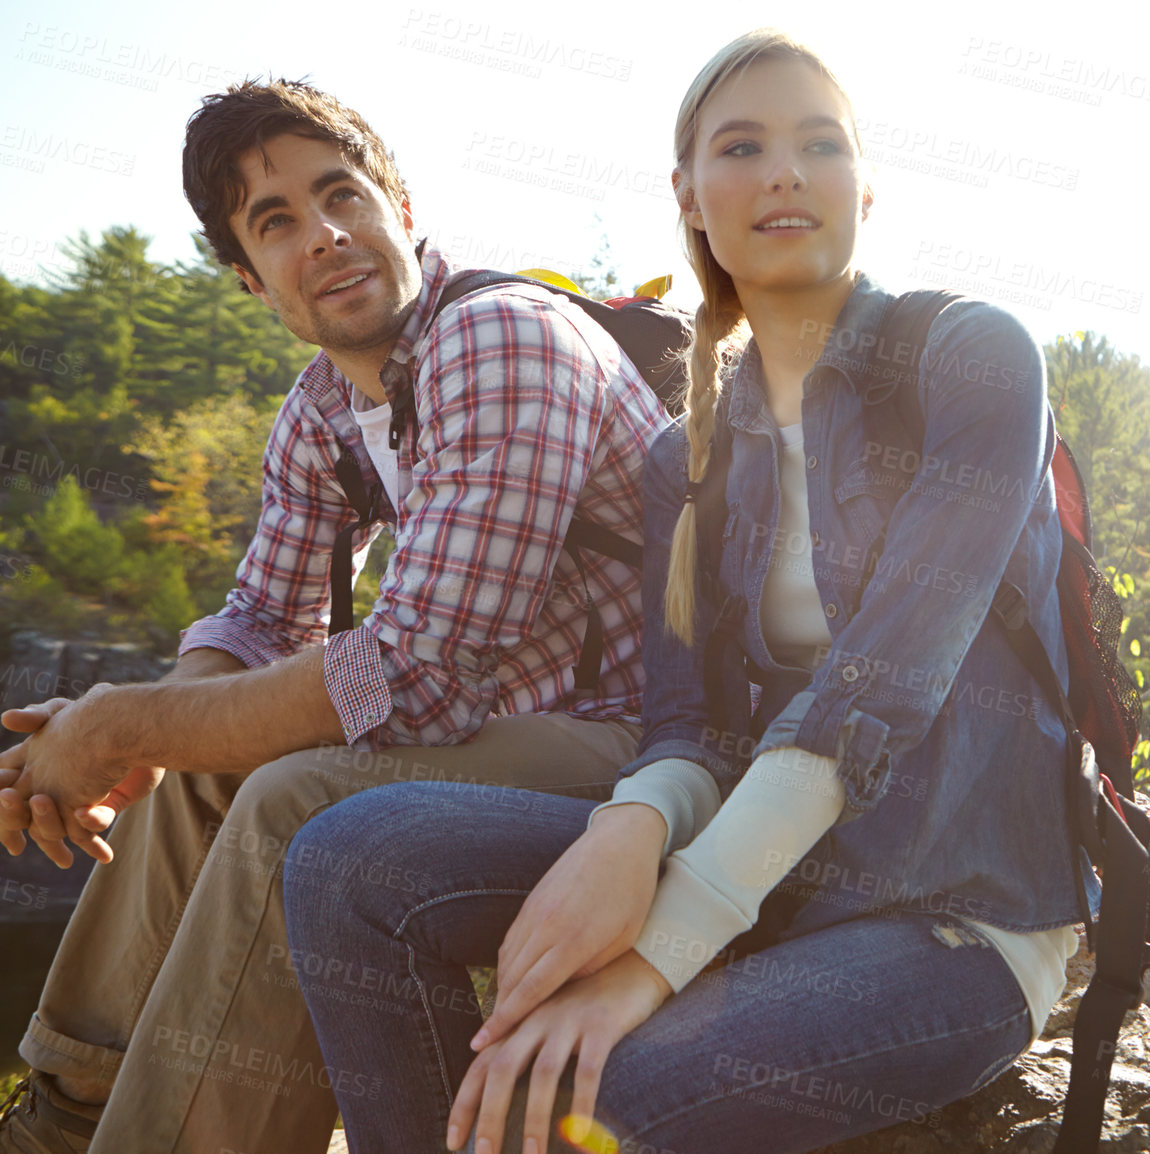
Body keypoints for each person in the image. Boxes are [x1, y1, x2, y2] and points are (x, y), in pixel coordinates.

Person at [283, 28, 1085, 1154]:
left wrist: (653, 955)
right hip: (768, 882)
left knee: (574, 1107)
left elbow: (877, 691)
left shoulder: (973, 361)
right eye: (742, 145)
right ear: (690, 195)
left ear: (866, 184)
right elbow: (692, 723)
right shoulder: (686, 458)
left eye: (821, 143)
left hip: (951, 913)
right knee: (345, 859)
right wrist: (631, 821)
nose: (784, 172)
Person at [0, 80, 669, 1154]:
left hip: (655, 747)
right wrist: (132, 737)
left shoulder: (503, 339)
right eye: (277, 225)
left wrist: (122, 724)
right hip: (520, 735)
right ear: (250, 280)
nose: (324, 237)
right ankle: (66, 1116)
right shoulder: (323, 407)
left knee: (292, 802)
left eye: (342, 195)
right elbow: (264, 614)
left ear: (400, 208)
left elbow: (418, 672)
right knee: (201, 768)